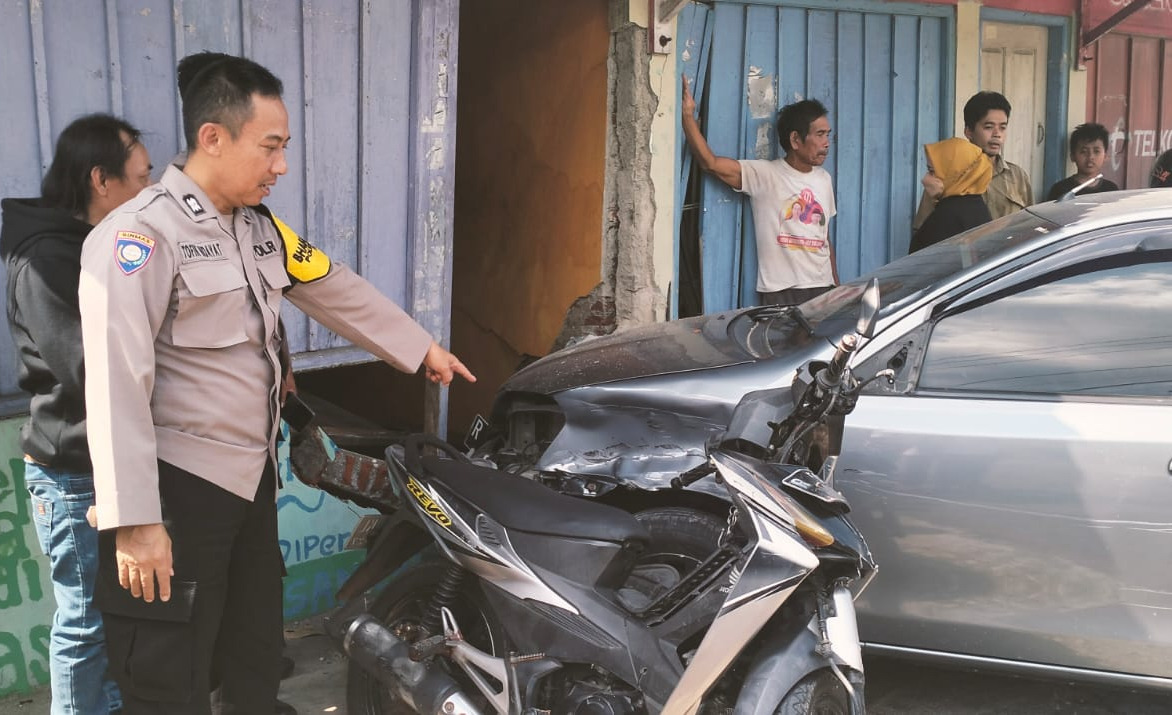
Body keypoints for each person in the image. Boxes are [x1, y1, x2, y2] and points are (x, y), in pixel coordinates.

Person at [77, 52, 475, 714]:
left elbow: (331, 285)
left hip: (249, 485)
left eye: (284, 148)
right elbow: (115, 382)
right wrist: (135, 520)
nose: (281, 165)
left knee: (254, 656)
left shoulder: (257, 230)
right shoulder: (140, 236)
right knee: (169, 677)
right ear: (213, 138)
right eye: (270, 147)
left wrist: (418, 346)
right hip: (177, 494)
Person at [0, 113, 151, 714]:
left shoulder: (92, 245)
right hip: (71, 472)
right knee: (84, 622)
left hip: (98, 462)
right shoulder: (46, 261)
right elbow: (91, 368)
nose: (149, 193)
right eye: (140, 178)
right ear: (101, 179)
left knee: (107, 620)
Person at [681, 76, 838, 306]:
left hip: (823, 290)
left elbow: (825, 238)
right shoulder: (765, 175)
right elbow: (710, 163)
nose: (827, 143)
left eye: (828, 134)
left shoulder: (824, 180)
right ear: (795, 139)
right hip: (782, 292)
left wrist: (836, 286)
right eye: (820, 134)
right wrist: (688, 116)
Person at [914, 91, 1032, 229]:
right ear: (969, 131)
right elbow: (922, 232)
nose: (997, 134)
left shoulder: (1018, 176)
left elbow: (1032, 225)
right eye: (988, 127)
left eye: (1003, 127)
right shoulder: (947, 176)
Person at [908, 138, 993, 253]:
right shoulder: (975, 205)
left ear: (954, 175)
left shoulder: (947, 216)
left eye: (932, 171)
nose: (925, 179)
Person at [1045, 123, 1119, 201]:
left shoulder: (1111, 190)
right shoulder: (1061, 189)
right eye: (1084, 151)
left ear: (1105, 156)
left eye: (1096, 151)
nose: (1090, 157)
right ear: (1072, 156)